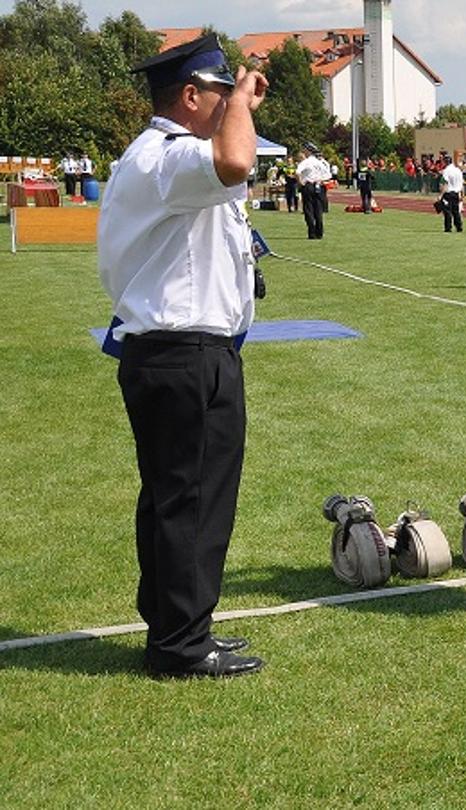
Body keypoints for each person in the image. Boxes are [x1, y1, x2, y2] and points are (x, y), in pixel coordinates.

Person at [97, 32, 269, 679]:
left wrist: (238, 106)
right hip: (183, 354)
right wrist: (243, 108)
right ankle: (180, 643)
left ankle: (179, 627)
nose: (230, 104)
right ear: (191, 96)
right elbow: (234, 164)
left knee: (180, 498)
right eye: (220, 93)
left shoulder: (164, 158)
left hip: (183, 352)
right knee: (191, 500)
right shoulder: (168, 158)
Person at [295, 142, 330, 238]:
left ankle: (312, 232)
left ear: (308, 151)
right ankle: (320, 232)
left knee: (308, 209)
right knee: (318, 209)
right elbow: (328, 175)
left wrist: (301, 182)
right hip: (318, 186)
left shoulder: (306, 162)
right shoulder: (320, 163)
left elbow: (297, 172)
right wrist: (320, 180)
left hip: (308, 185)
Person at [439, 159, 464, 232]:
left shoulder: (446, 171)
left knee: (447, 211)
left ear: (445, 162)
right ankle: (459, 226)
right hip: (456, 193)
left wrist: (441, 195)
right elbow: (462, 184)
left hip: (448, 193)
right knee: (456, 211)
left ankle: (448, 227)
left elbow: (445, 183)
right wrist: (462, 194)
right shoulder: (458, 170)